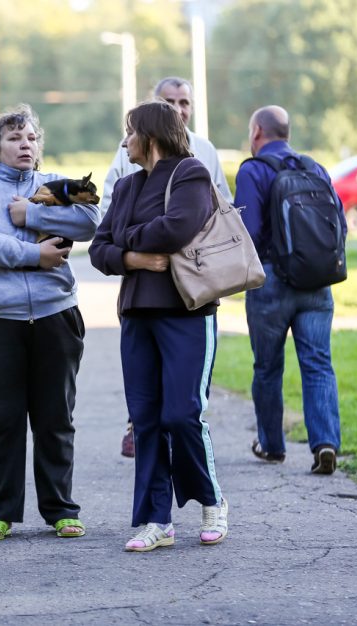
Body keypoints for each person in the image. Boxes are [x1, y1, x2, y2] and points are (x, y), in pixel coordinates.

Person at [0, 104, 101, 541]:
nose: (26, 145)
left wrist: (32, 215)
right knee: (2, 419)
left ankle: (61, 510)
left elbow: (91, 219)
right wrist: (33, 254)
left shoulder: (53, 186)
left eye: (32, 138)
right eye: (15, 138)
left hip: (57, 314)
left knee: (56, 417)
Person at [89, 99, 228, 551]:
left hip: (186, 312)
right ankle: (156, 521)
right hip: (136, 314)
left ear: (150, 137)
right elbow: (98, 249)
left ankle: (212, 501)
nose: (124, 141)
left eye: (129, 132)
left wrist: (125, 242)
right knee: (146, 420)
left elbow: (177, 228)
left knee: (182, 414)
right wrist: (132, 257)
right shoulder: (127, 186)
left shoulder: (191, 173)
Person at [101, 76, 232, 458]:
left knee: (186, 399)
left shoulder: (203, 152)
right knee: (146, 388)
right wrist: (130, 252)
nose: (179, 108)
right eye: (169, 101)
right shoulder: (129, 153)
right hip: (144, 285)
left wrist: (132, 235)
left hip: (194, 285)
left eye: (185, 101)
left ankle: (191, 438)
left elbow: (219, 208)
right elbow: (110, 208)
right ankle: (142, 430)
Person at [234, 105, 342, 475]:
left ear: (257, 133)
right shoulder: (315, 168)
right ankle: (325, 443)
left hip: (270, 283)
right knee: (318, 364)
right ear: (287, 133)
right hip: (316, 283)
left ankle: (272, 445)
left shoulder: (254, 170)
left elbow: (246, 230)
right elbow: (339, 223)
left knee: (267, 367)